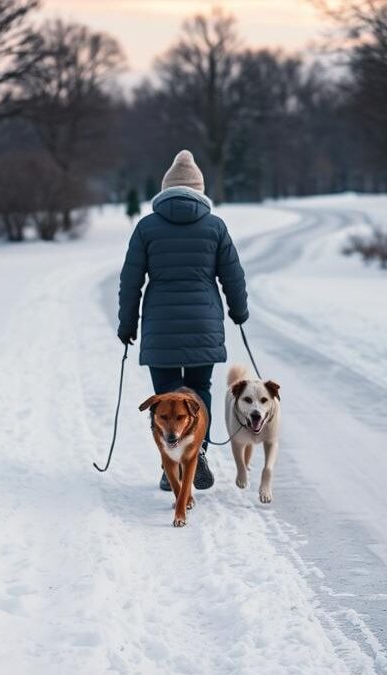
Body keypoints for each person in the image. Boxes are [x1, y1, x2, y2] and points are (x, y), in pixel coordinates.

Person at [118, 150, 249, 491]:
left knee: (165, 397)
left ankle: (170, 464)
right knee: (198, 391)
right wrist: (239, 310)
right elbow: (233, 275)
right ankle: (197, 452)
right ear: (199, 190)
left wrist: (127, 322)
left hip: (159, 327)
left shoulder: (146, 227)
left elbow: (131, 280)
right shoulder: (215, 226)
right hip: (203, 324)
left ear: (166, 189)